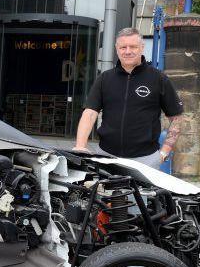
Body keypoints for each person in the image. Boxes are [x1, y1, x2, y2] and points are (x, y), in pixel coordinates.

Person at [73, 27, 184, 170]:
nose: (127, 51)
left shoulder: (158, 78)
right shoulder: (105, 79)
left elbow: (176, 118)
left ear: (142, 47)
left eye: (133, 47)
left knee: (141, 194)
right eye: (123, 47)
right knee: (105, 193)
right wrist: (80, 146)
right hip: (107, 157)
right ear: (116, 49)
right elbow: (90, 113)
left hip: (146, 160)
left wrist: (163, 153)